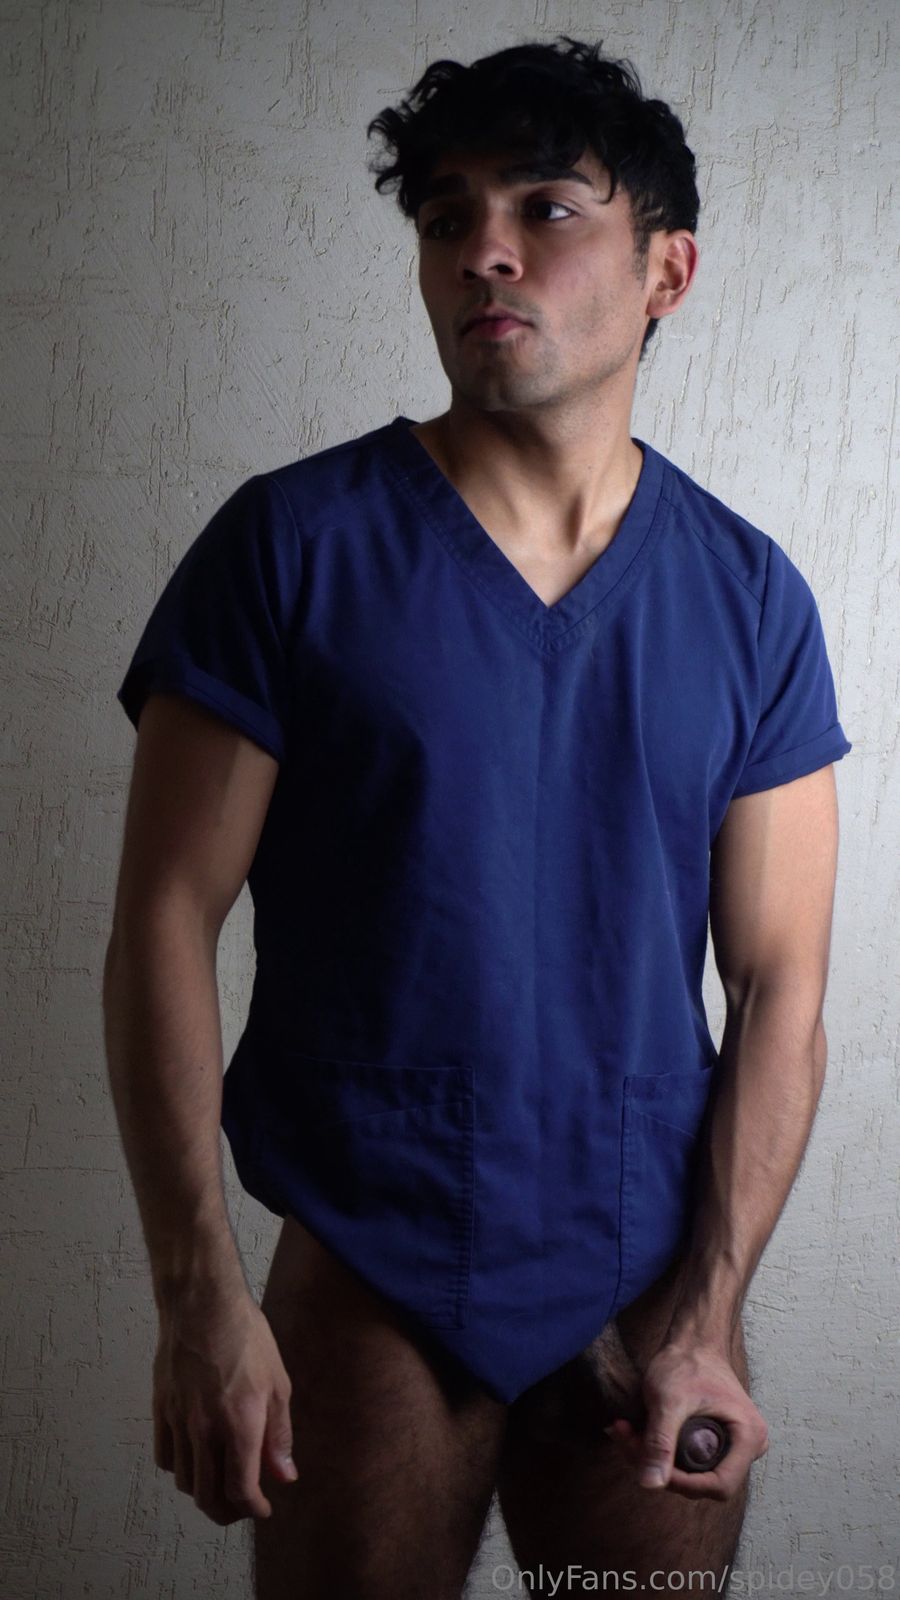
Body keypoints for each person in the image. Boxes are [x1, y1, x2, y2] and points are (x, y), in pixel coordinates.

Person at [103, 35, 852, 1600]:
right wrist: (198, 1296)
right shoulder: (291, 549)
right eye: (447, 217)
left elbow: (781, 981)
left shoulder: (749, 598)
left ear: (668, 269)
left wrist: (709, 1315)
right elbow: (165, 919)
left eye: (544, 207)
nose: (483, 251)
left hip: (645, 1277)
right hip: (369, 1254)